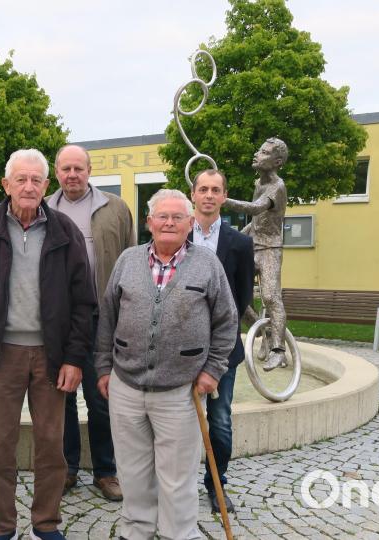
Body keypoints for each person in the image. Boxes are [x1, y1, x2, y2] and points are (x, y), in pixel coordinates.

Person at [0, 149, 96, 540]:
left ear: (46, 185)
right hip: (0, 355)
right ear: (6, 184)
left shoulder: (65, 231)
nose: (29, 186)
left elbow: (84, 301)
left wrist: (74, 358)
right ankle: (3, 526)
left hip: (52, 357)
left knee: (51, 446)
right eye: (21, 179)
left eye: (36, 180)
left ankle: (45, 524)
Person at [96, 189, 237, 540]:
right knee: (132, 470)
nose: (169, 223)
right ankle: (136, 530)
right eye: (162, 216)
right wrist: (103, 367)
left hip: (181, 390)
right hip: (127, 386)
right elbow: (107, 318)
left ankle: (179, 533)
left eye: (177, 217)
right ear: (149, 222)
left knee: (177, 476)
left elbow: (227, 321)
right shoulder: (128, 260)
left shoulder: (208, 264)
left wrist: (212, 370)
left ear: (190, 223)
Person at [45, 144, 134, 502]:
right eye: (65, 169)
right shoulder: (44, 209)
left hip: (103, 318)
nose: (72, 175)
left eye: (78, 168)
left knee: (101, 397)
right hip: (58, 321)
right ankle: (66, 468)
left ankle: (106, 471)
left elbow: (131, 260)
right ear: (56, 173)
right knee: (61, 396)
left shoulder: (115, 208)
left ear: (90, 170)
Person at [190, 169, 255, 514]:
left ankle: (217, 484)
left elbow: (242, 297)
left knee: (220, 422)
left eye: (216, 190)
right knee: (177, 421)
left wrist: (219, 337)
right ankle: (177, 485)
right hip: (181, 348)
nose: (209, 195)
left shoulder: (240, 244)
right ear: (193, 194)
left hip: (223, 350)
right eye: (203, 189)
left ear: (224, 196)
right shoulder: (178, 234)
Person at [223, 137, 289, 371]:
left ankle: (278, 350)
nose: (257, 154)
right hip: (252, 245)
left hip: (270, 248)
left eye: (264, 153)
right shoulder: (258, 183)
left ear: (277, 162)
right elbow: (258, 220)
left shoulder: (277, 187)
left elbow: (256, 208)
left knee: (270, 297)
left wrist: (222, 199)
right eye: (259, 151)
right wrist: (239, 237)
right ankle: (264, 331)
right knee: (234, 294)